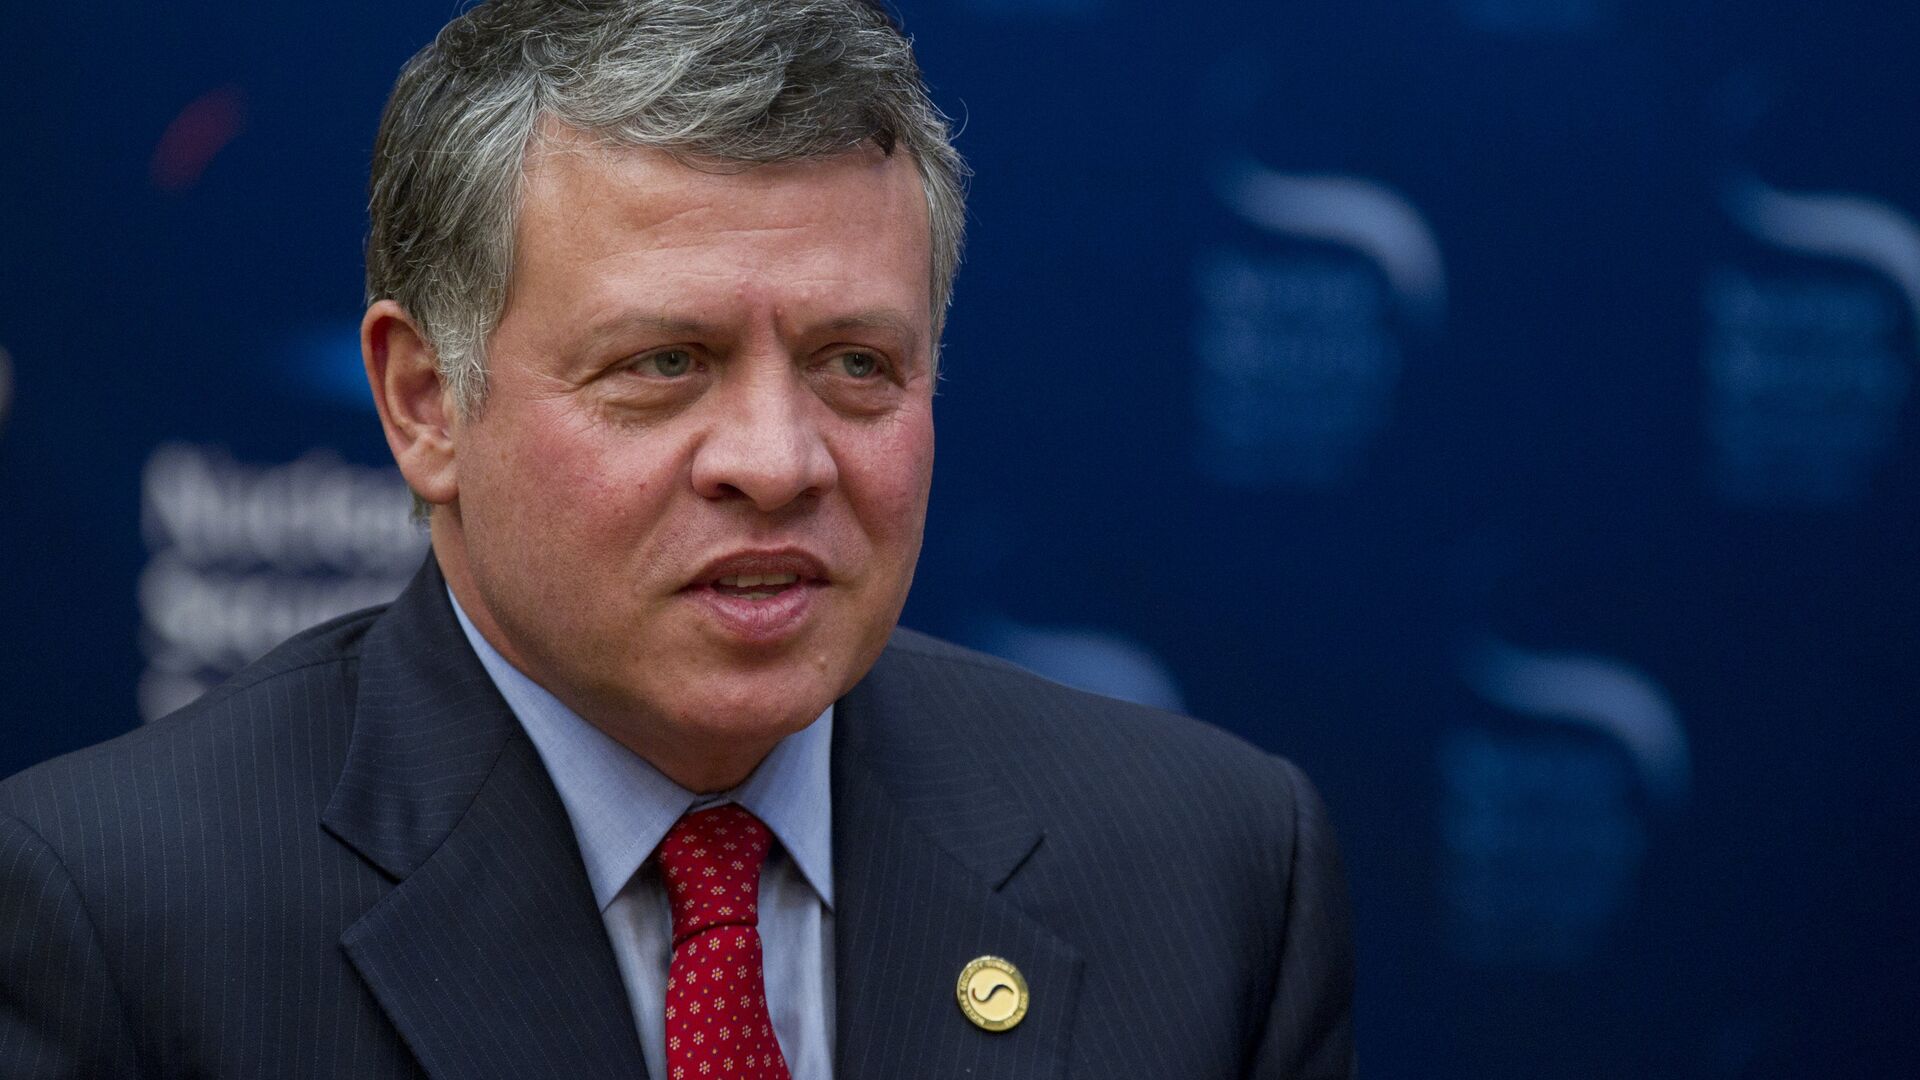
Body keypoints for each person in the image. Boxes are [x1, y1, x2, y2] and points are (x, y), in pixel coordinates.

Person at [0, 1, 1354, 1076]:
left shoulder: (1213, 873)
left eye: (856, 364)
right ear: (426, 404)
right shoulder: (114, 920)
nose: (776, 461)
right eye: (665, 362)